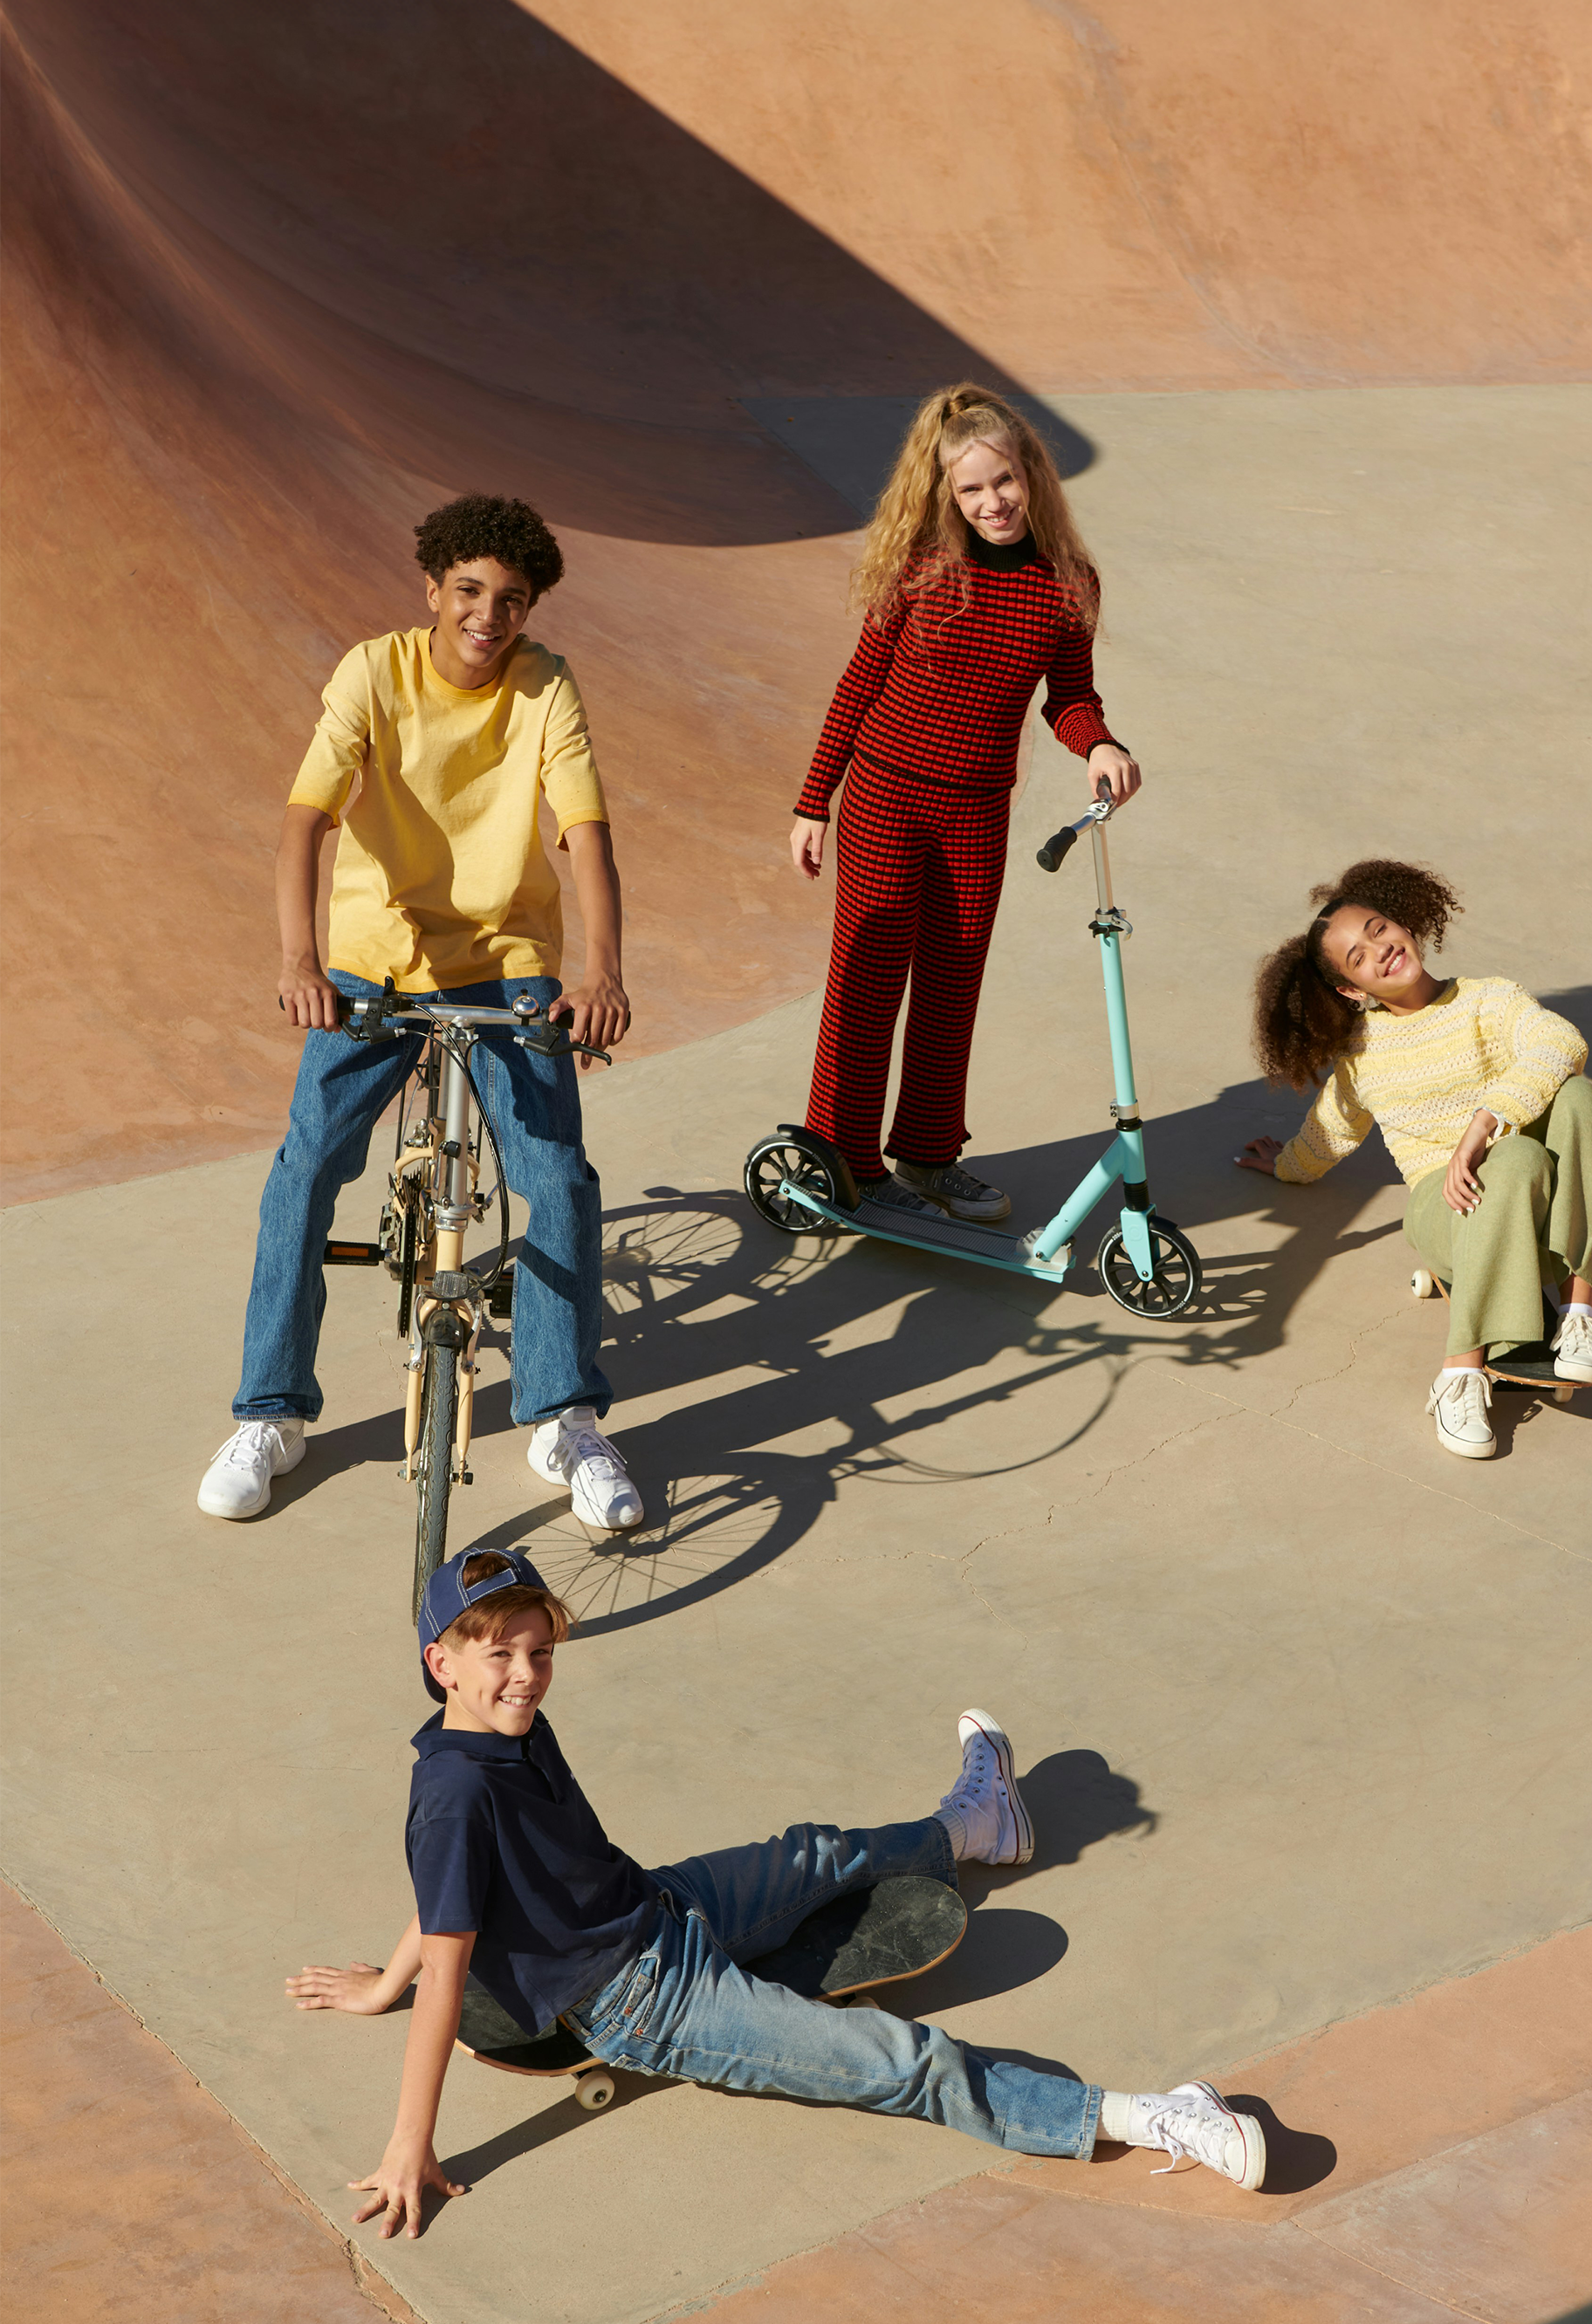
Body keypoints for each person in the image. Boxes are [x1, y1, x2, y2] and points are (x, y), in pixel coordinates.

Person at [285, 1542, 1262, 2233]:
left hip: (659, 1906)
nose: (527, 1675)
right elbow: (450, 1967)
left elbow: (444, 1893)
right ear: (440, 1663)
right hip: (645, 2003)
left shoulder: (505, 1729)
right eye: (497, 1654)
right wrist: (411, 2139)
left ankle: (976, 1825)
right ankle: (1146, 2115)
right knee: (902, 2059)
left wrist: (378, 1982)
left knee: (815, 1853)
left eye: (538, 1651)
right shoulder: (453, 1791)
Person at [196, 496, 642, 1532]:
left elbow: (584, 835)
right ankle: (272, 1411)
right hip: (369, 967)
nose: (490, 616)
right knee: (306, 1169)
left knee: (556, 1176)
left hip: (504, 964)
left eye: (513, 601)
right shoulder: (372, 671)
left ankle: (564, 1414)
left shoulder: (546, 686)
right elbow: (304, 822)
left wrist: (604, 975)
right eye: (472, 591)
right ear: (432, 589)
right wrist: (300, 959)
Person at [789, 387, 1140, 1226]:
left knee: (952, 986)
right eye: (971, 489)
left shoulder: (1067, 585)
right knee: (869, 980)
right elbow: (858, 686)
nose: (993, 503)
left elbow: (1071, 696)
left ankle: (930, 1154)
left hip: (976, 812)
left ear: (1033, 477)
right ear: (945, 493)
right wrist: (814, 802)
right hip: (883, 796)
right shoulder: (920, 570)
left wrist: (1098, 742)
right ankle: (842, 1159)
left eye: (1005, 482)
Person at [1238, 859, 1592, 1459]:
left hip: (1545, 1214)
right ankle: (1459, 1375)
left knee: (1574, 1095)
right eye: (1358, 958)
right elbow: (1328, 1134)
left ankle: (1576, 1314)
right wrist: (1285, 1164)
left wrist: (1483, 1122)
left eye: (1378, 930)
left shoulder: (1490, 999)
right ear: (1350, 989)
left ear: (1403, 923)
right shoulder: (1362, 1054)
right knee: (1516, 1158)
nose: (1379, 951)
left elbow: (1561, 1042)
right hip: (1447, 1208)